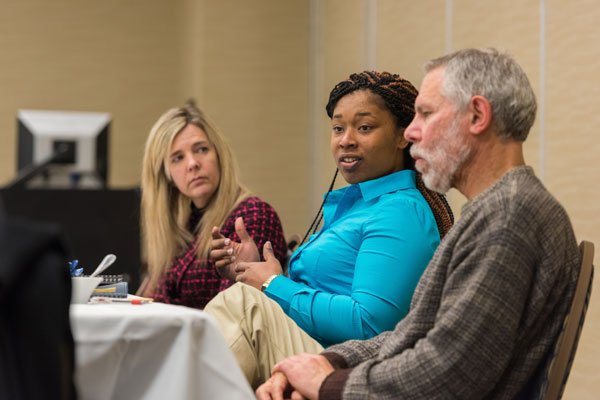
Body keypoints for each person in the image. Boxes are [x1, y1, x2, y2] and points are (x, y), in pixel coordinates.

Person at [256, 48, 581, 400]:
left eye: (425, 114)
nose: (410, 132)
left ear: (477, 116)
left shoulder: (509, 217)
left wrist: (327, 384)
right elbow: (411, 334)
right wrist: (329, 362)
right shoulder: (498, 210)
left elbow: (448, 373)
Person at [205, 71, 454, 388]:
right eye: (338, 128)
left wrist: (271, 284)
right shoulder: (357, 205)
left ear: (402, 135)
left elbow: (370, 325)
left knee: (243, 304)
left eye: (364, 127)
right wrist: (255, 271)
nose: (345, 140)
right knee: (243, 299)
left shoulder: (400, 211)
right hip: (318, 352)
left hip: (349, 371)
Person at [137, 103, 287, 309]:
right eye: (178, 158)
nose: (192, 163)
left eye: (201, 149)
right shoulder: (181, 227)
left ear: (219, 155)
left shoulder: (251, 215)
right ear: (167, 176)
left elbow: (232, 317)